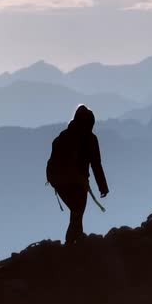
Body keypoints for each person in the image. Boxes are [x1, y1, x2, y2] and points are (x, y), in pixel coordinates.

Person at [46, 104, 109, 244]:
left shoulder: (64, 136)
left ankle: (74, 244)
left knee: (76, 211)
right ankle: (73, 245)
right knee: (77, 211)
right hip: (77, 182)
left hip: (58, 181)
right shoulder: (90, 139)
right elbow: (96, 164)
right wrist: (102, 186)